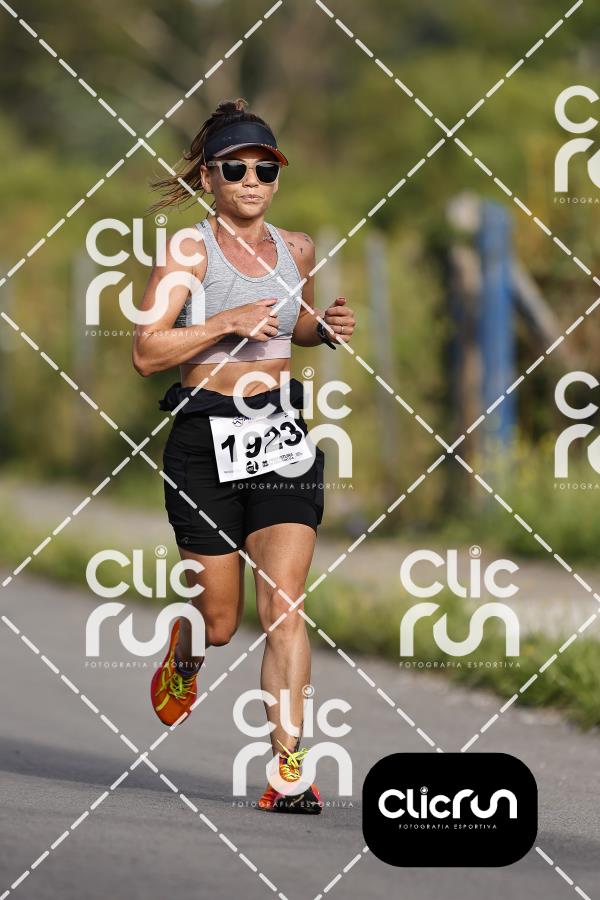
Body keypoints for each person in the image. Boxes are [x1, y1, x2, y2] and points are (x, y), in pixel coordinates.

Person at [133, 98, 356, 813]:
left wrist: (325, 328)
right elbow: (147, 351)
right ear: (209, 177)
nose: (253, 181)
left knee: (285, 604)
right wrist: (223, 321)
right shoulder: (189, 252)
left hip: (280, 435)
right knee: (221, 624)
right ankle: (186, 650)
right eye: (236, 169)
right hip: (205, 436)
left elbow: (295, 322)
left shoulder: (297, 249)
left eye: (266, 169)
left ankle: (288, 769)